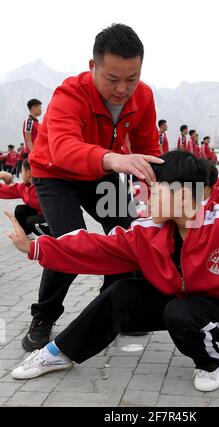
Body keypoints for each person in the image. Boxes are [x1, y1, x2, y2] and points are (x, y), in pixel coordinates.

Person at [7, 150, 219, 393]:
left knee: (179, 314)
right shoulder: (149, 232)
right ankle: (60, 353)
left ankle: (210, 363)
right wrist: (36, 248)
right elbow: (98, 247)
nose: (144, 200)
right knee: (122, 292)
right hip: (186, 298)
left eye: (152, 190)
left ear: (183, 195)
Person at [22, 23, 162, 352]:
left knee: (127, 240)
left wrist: (168, 199)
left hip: (103, 175)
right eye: (112, 79)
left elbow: (150, 152)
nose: (122, 89)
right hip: (56, 174)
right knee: (70, 246)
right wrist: (113, 160)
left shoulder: (144, 97)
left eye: (132, 78)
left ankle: (107, 312)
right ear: (93, 67)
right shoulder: (69, 94)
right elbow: (64, 149)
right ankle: (44, 315)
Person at [0, 159, 50, 238]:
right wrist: (3, 176)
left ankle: (54, 238)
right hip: (42, 214)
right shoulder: (25, 187)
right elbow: (5, 190)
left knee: (32, 221)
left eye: (22, 171)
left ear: (28, 173)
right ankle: (28, 236)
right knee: (20, 210)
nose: (21, 174)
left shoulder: (46, 186)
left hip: (56, 218)